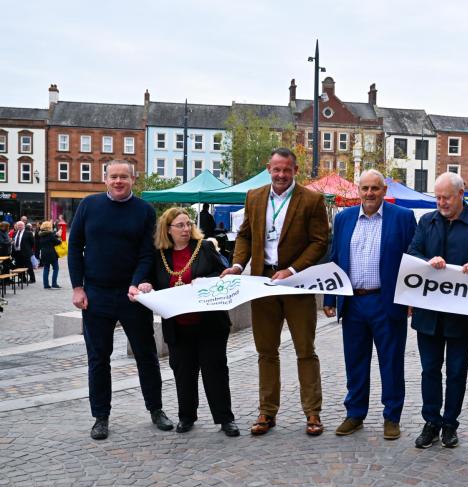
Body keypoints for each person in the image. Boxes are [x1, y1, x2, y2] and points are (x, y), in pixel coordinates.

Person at [222, 148, 329, 437]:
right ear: (268, 168)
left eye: (287, 170)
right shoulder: (254, 197)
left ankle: (312, 413)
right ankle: (267, 412)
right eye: (276, 169)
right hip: (262, 282)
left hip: (296, 284)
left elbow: (320, 241)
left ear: (295, 171)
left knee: (305, 350)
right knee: (266, 351)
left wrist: (293, 270)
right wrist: (237, 264)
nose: (281, 175)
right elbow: (245, 235)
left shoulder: (312, 199)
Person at [68, 159, 174, 440]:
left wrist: (136, 283)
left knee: (146, 355)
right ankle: (100, 417)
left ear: (133, 180)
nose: (118, 181)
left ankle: (156, 409)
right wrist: (77, 287)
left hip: (132, 296)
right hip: (96, 294)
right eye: (113, 177)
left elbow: (146, 254)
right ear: (105, 179)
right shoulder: (89, 206)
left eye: (123, 177)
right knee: (98, 358)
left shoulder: (144, 210)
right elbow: (75, 246)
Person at [323, 170, 416, 440]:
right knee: (355, 362)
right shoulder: (343, 219)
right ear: (358, 190)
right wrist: (330, 298)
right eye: (365, 188)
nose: (370, 193)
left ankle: (392, 416)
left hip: (386, 301)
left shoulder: (402, 218)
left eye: (375, 188)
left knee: (391, 361)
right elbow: (335, 259)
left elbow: (414, 258)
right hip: (353, 302)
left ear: (384, 190)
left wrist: (411, 298)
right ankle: (355, 413)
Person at [131, 208, 239, 437]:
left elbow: (225, 274)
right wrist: (146, 284)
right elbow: (148, 277)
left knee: (215, 371)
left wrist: (206, 280)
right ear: (167, 230)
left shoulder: (206, 248)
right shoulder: (159, 254)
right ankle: (186, 417)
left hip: (209, 323)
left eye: (188, 224)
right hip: (178, 326)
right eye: (179, 225)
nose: (185, 229)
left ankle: (225, 419)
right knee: (183, 372)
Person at [407, 172, 468, 449]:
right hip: (429, 314)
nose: (441, 202)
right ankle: (431, 421)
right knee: (429, 370)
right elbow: (412, 253)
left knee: (457, 372)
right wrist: (426, 260)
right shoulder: (426, 221)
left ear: (460, 194)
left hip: (461, 313)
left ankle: (450, 424)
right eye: (437, 197)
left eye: (446, 197)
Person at [36, 221, 62, 289]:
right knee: (56, 268)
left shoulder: (40, 235)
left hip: (44, 253)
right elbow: (57, 242)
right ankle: (54, 283)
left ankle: (46, 285)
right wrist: (59, 237)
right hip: (51, 253)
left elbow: (48, 240)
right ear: (49, 227)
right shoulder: (50, 235)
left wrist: (55, 235)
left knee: (46, 269)